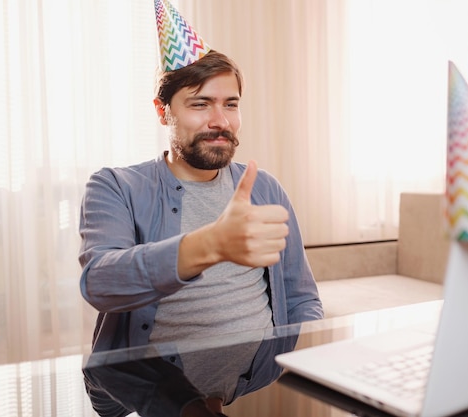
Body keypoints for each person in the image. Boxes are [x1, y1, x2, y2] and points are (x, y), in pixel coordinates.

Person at [79, 4, 323, 414]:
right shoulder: (115, 186)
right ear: (164, 112)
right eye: (199, 104)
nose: (219, 120)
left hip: (258, 386)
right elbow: (100, 284)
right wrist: (211, 243)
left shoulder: (265, 188)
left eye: (231, 104)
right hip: (150, 395)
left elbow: (302, 299)